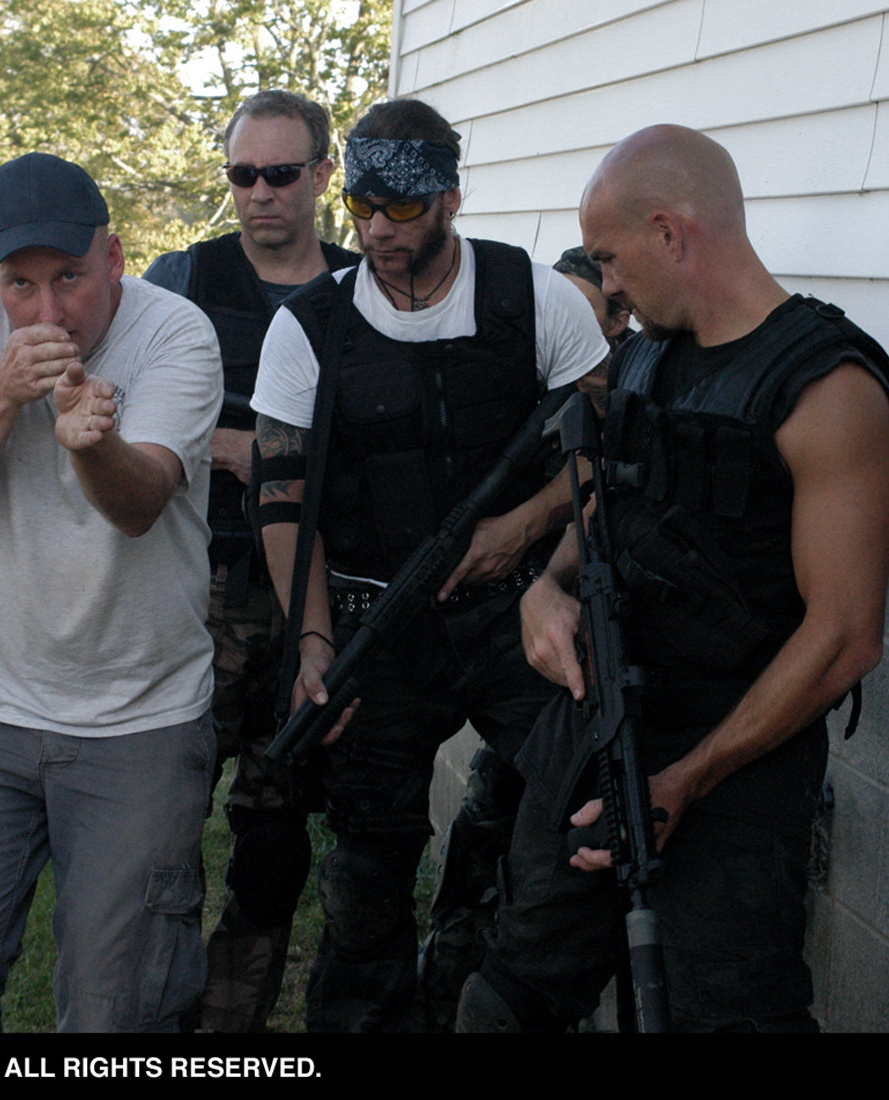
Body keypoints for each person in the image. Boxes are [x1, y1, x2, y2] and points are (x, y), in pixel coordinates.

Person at [458, 124, 889, 1032]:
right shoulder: (649, 353)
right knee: (505, 999)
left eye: (611, 259)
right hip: (597, 730)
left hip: (734, 771)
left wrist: (687, 780)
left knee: (722, 1015)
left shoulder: (825, 389)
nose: (606, 286)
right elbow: (608, 499)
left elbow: (846, 636)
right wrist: (547, 588)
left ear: (671, 232)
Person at [250, 98, 606, 1031]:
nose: (376, 229)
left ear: (451, 196)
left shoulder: (538, 299)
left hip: (514, 611)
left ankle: (480, 998)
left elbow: (606, 452)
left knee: (568, 820)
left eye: (401, 209)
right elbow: (286, 502)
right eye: (363, 206)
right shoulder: (308, 328)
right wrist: (315, 640)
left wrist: (522, 531)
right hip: (379, 621)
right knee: (368, 867)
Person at [0, 152, 222, 1033]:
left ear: (113, 257)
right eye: (19, 283)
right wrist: (1, 393)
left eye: (69, 277)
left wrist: (88, 442)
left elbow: (141, 503)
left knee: (120, 1013)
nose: (46, 310)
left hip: (141, 714)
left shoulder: (176, 332)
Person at [143, 89, 359, 1033]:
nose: (260, 193)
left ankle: (231, 1026)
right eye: (242, 175)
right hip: (193, 592)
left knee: (275, 835)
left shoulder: (364, 293)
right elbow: (110, 414)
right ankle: (153, 1013)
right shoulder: (179, 281)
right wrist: (229, 447)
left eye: (280, 173)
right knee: (162, 821)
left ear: (320, 175)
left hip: (311, 600)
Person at [553, 246, 632, 351]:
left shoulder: (645, 363)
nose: (560, 315)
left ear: (616, 324)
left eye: (580, 305)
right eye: (553, 300)